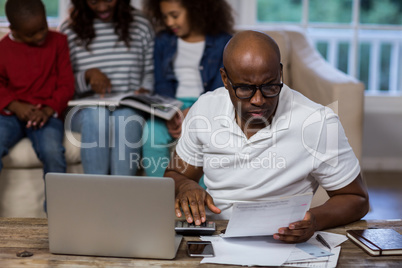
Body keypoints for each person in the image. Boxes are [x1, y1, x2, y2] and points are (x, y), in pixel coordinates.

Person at [165, 30, 370, 243]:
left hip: (280, 239)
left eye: (270, 86)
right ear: (225, 79)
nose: (258, 100)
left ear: (280, 74)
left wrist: (315, 220)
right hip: (214, 237)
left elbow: (357, 198)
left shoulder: (317, 122)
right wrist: (185, 186)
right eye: (245, 88)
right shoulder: (205, 109)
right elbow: (175, 174)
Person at [59, 0, 154, 175]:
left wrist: (145, 90)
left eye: (109, 0)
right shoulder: (69, 30)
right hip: (83, 110)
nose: (102, 8)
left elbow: (150, 72)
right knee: (97, 115)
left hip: (129, 106)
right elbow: (62, 84)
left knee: (125, 117)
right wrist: (87, 75)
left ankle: (121, 195)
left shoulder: (141, 25)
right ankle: (97, 197)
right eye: (94, 2)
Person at [141, 0, 234, 177]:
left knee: (207, 134)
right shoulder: (163, 41)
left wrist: (192, 112)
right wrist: (170, 112)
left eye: (174, 15)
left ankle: (201, 198)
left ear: (196, 10)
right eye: (165, 17)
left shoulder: (224, 42)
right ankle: (162, 193)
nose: (169, 23)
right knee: (151, 132)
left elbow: (221, 87)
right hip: (172, 105)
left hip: (207, 104)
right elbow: (161, 83)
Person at [0, 0, 74, 209]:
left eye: (42, 28)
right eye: (31, 35)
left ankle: (59, 215)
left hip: (46, 114)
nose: (40, 36)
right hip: (10, 114)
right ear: (12, 29)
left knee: (53, 152)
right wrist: (15, 106)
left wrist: (49, 109)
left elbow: (66, 84)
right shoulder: (3, 49)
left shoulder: (59, 42)